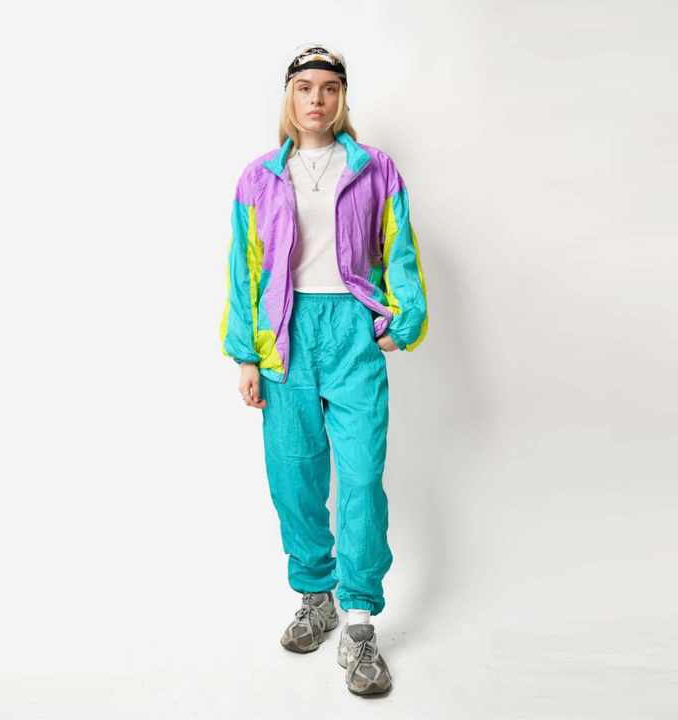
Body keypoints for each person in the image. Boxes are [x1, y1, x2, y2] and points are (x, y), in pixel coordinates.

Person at [219, 42, 428, 696]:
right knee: (295, 476)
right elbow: (245, 271)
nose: (317, 99)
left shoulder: (374, 168)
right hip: (283, 337)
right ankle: (316, 596)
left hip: (351, 332)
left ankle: (359, 621)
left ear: (342, 98)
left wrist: (401, 319)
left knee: (361, 476)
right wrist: (246, 354)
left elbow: (398, 244)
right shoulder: (259, 178)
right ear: (290, 96)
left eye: (329, 88)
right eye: (306, 87)